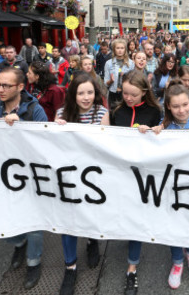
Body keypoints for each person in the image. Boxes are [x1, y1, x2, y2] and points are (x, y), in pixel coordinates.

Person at [147, 82, 189, 289]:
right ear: (168, 106)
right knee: (174, 222)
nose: (181, 110)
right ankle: (177, 261)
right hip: (172, 186)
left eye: (185, 105)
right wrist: (151, 132)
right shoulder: (165, 126)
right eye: (176, 106)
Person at [0, 67, 48, 289]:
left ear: (20, 87)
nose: (0, 89)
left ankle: (33, 262)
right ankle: (18, 242)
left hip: (30, 177)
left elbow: (45, 142)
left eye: (6, 86)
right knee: (5, 216)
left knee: (34, 223)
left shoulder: (34, 110)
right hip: (2, 176)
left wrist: (19, 124)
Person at [54, 72, 109, 295]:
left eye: (90, 92)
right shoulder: (61, 113)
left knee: (91, 213)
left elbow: (104, 144)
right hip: (69, 176)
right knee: (67, 220)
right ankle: (70, 266)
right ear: (72, 94)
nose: (86, 97)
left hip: (93, 176)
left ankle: (92, 240)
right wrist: (56, 129)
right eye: (81, 93)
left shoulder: (102, 112)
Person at [109, 70, 162, 295]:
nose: (128, 98)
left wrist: (153, 131)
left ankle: (132, 269)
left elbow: (163, 138)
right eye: (125, 93)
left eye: (133, 94)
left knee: (136, 221)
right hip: (120, 175)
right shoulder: (118, 111)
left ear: (144, 91)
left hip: (143, 177)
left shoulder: (154, 111)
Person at [104, 39, 135, 108]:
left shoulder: (131, 63)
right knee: (113, 115)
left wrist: (126, 77)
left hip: (126, 94)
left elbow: (133, 81)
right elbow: (105, 83)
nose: (120, 50)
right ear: (114, 49)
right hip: (113, 93)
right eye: (118, 48)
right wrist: (111, 80)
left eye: (122, 48)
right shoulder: (108, 63)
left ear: (125, 49)